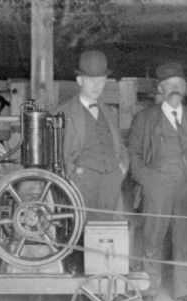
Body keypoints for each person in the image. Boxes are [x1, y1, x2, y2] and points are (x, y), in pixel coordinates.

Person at [127, 62, 187, 301]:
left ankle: (182, 291)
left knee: (185, 241)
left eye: (179, 84)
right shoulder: (145, 118)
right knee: (152, 240)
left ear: (185, 89)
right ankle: (149, 290)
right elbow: (133, 156)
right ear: (161, 89)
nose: (175, 89)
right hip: (157, 188)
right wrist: (148, 181)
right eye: (170, 85)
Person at [57, 50, 128, 222]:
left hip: (112, 183)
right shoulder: (64, 112)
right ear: (80, 81)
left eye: (101, 80)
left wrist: (122, 167)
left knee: (110, 238)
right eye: (91, 81)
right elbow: (55, 151)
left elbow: (120, 145)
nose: (96, 86)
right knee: (82, 236)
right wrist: (72, 173)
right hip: (82, 184)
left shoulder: (109, 112)